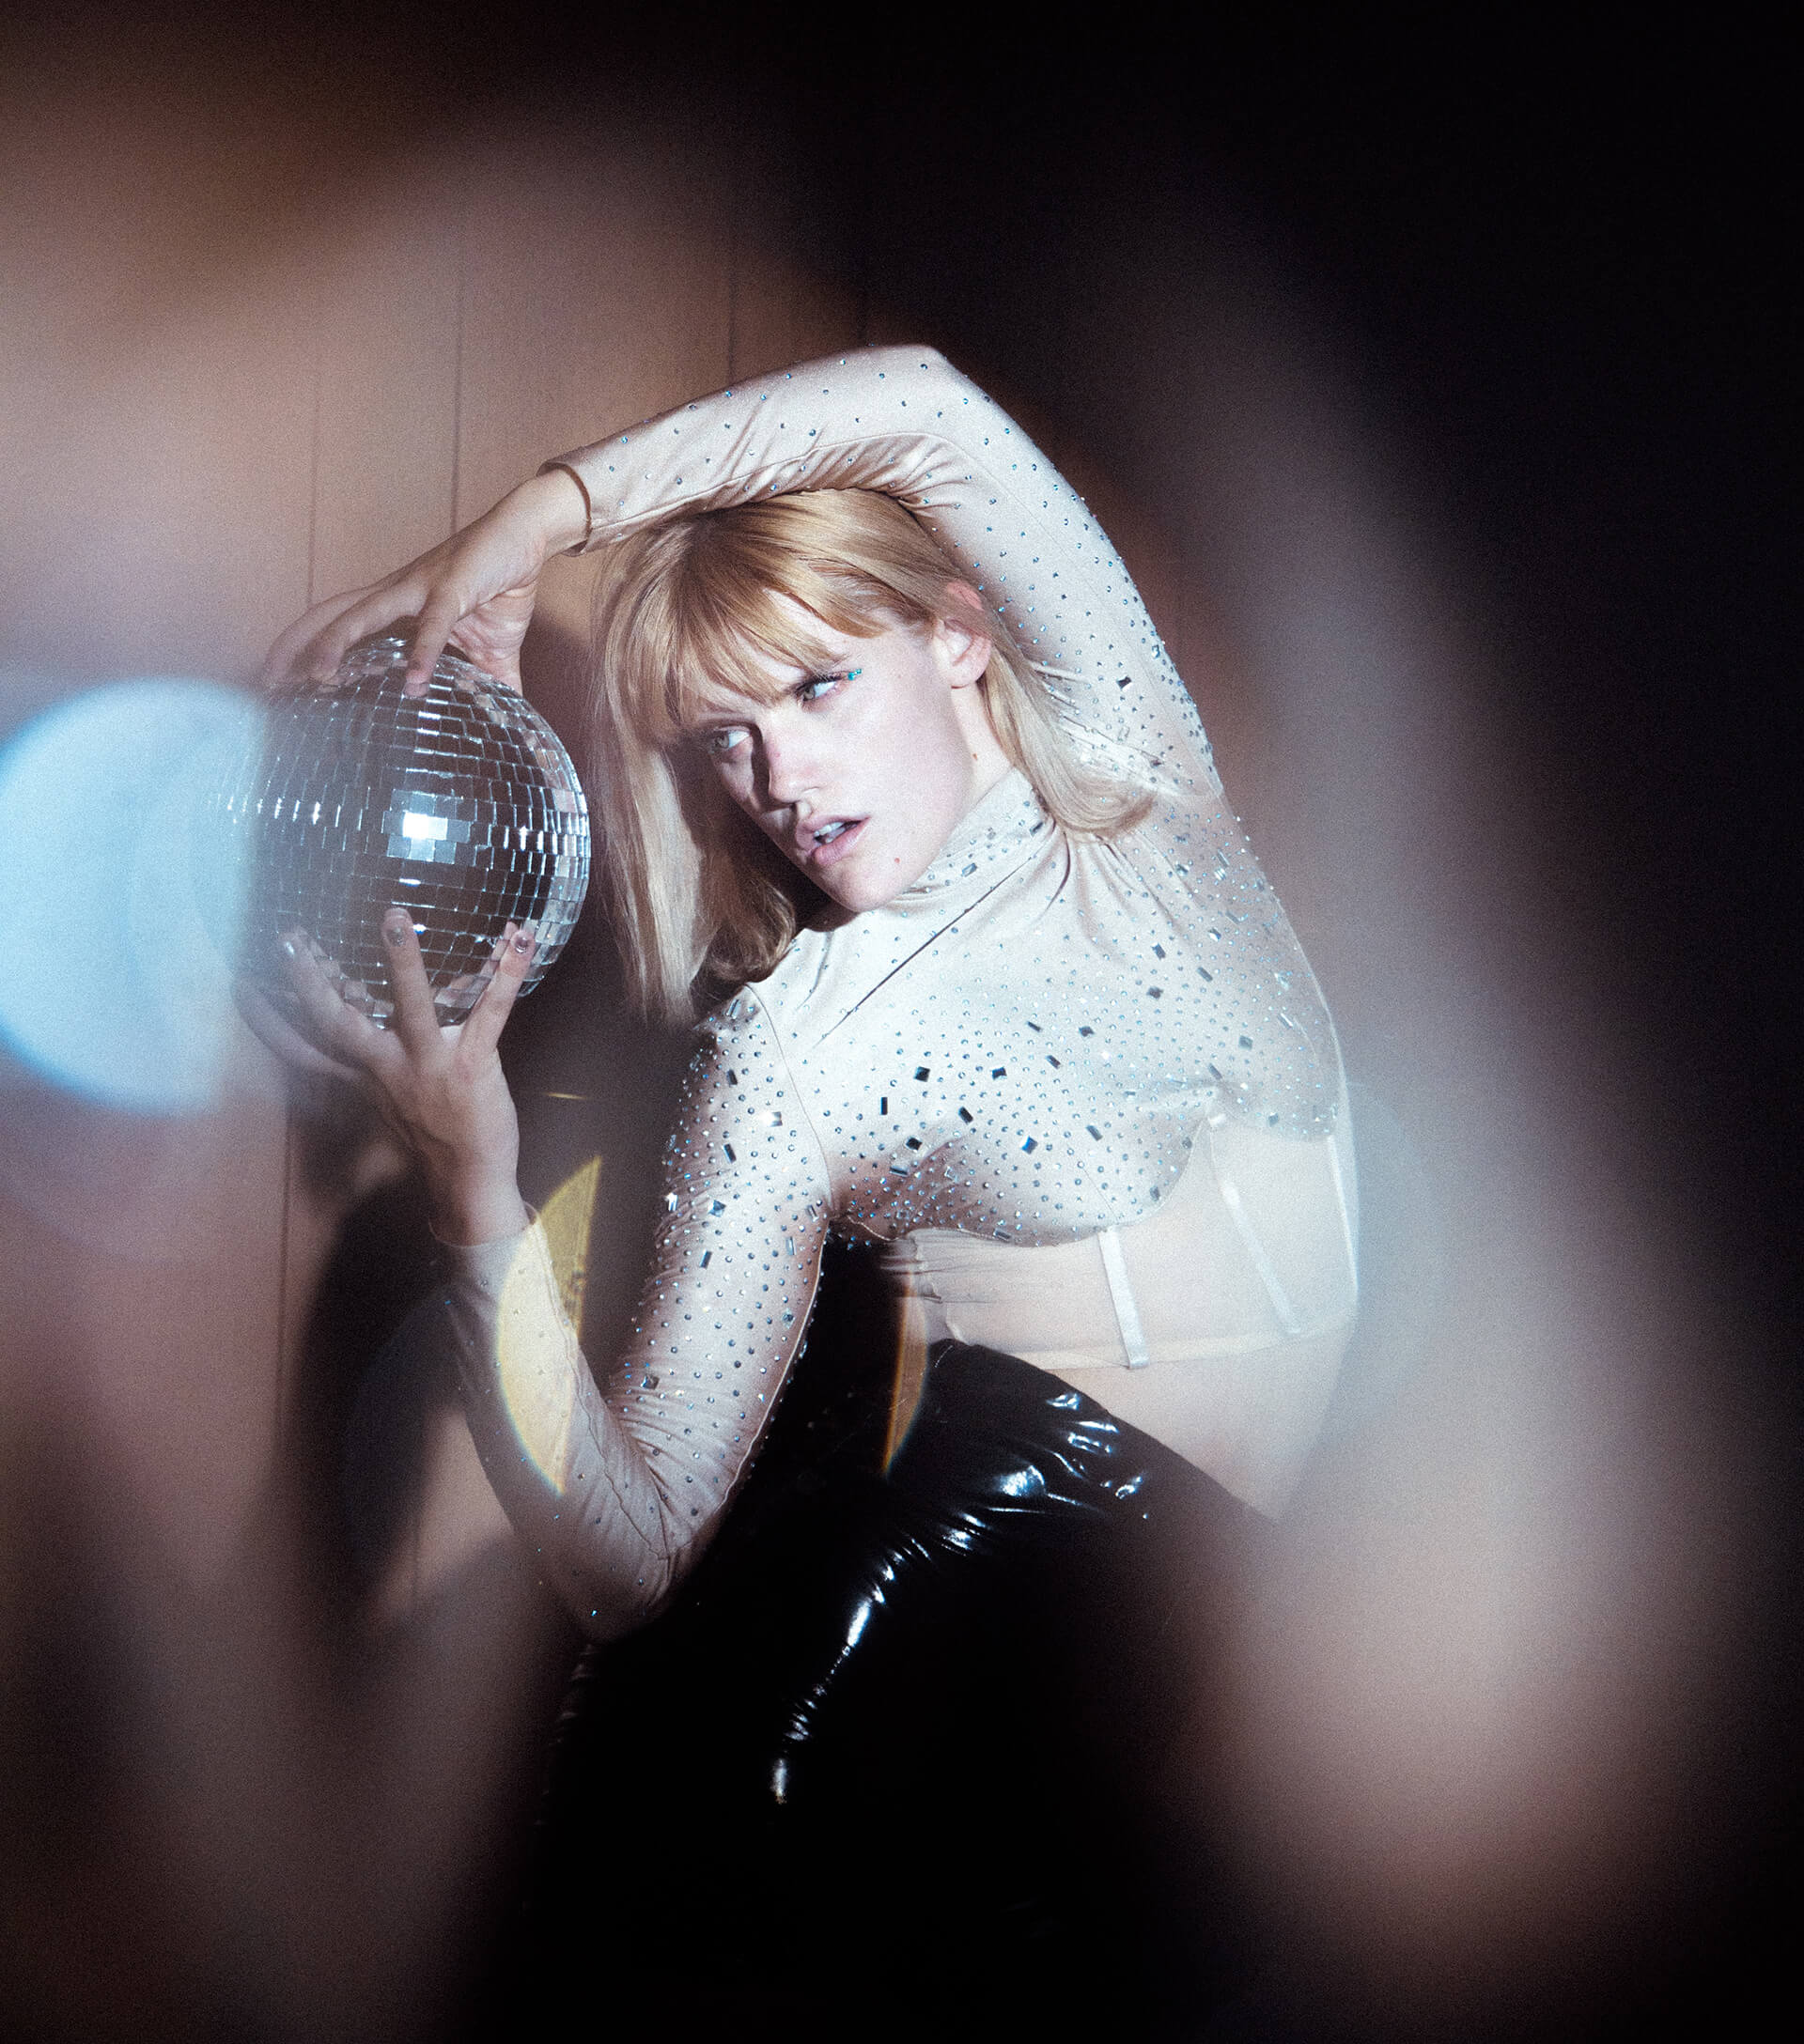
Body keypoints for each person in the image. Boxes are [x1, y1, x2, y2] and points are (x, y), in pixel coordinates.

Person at [260, 347, 1359, 2032]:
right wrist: (477, 1197)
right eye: (728, 735)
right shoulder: (799, 1047)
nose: (777, 777)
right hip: (837, 1751)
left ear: (961, 634)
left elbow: (926, 407)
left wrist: (540, 518)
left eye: (820, 687)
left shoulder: (1142, 786)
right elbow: (630, 1554)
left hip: (1115, 1755)